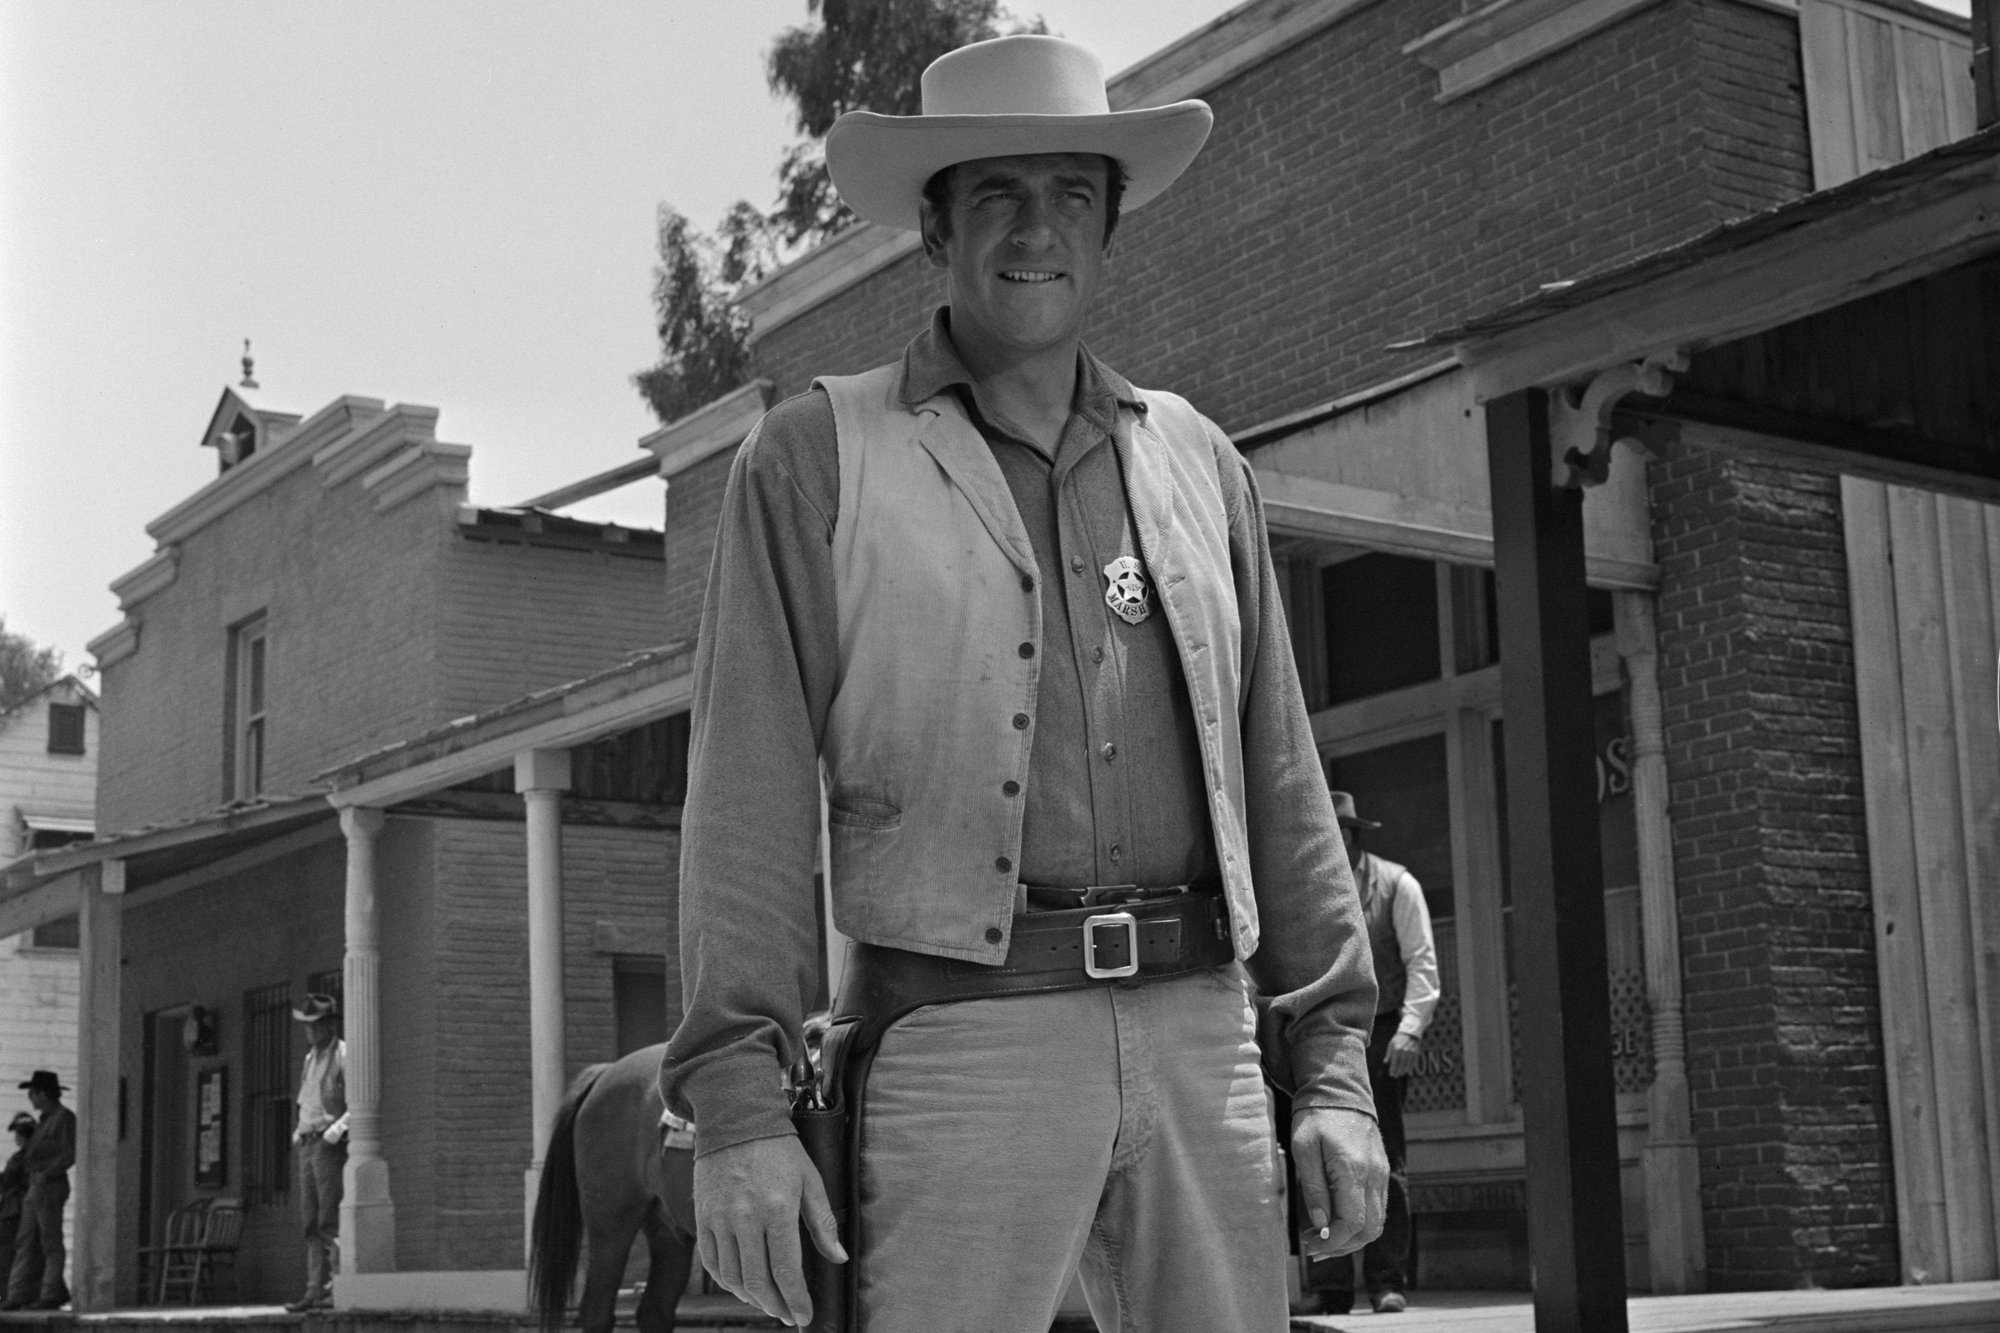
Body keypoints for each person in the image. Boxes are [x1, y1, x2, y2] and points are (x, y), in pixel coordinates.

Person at [661, 33, 1387, 1333]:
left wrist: (1333, 1069)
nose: (1035, 227)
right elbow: (747, 810)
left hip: (1202, 1037)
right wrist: (738, 1113)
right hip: (957, 1046)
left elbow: (1283, 779)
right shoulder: (813, 458)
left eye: (1070, 194)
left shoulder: (1204, 462)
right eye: (996, 193)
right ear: (934, 229)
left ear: (1111, 228)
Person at [1294, 791, 1439, 1316]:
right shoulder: (1307, 889)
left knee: (1385, 1155)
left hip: (1380, 1032)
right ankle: (1331, 1284)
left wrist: (1411, 1031)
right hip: (1320, 1033)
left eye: (1335, 834)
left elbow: (1422, 964)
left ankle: (1385, 1280)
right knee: (1316, 1149)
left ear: (1352, 837)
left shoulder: (1397, 884)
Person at [285, 993, 348, 1313]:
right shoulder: (310, 1058)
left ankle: (336, 1287)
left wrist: (336, 1130)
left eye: (311, 1025)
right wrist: (299, 1129)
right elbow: (305, 1101)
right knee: (309, 1221)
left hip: (327, 1144)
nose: (307, 1032)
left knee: (328, 1219)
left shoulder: (343, 1055)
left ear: (326, 1025)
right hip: (307, 1143)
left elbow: (360, 1104)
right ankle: (314, 1289)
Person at [2, 1072, 74, 1309]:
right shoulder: (43, 1120)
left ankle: (50, 1293)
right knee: (24, 1240)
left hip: (50, 1185)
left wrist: (48, 1172)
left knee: (50, 1242)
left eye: (33, 1093)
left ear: (44, 1093)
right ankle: (18, 1293)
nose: (30, 1098)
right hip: (35, 1186)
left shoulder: (64, 1118)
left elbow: (68, 1153)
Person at [0, 1113, 37, 1290]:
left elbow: (10, 1180)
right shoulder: (27, 1155)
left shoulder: (27, 1157)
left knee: (8, 1252)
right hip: (16, 1207)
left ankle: (10, 1292)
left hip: (16, 1209)